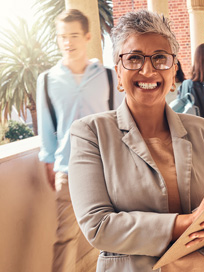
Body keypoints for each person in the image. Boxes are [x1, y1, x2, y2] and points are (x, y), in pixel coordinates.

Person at [68, 10, 204, 272]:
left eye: (160, 58)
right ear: (118, 73)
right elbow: (98, 226)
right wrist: (190, 221)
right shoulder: (91, 133)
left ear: (174, 70)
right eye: (134, 59)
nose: (148, 69)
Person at [36, 9, 124, 271]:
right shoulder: (48, 80)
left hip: (106, 170)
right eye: (62, 36)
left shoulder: (108, 76)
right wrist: (51, 163)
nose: (68, 42)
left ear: (87, 37)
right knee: (65, 238)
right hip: (68, 170)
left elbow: (121, 123)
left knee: (113, 237)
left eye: (74, 35)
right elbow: (46, 127)